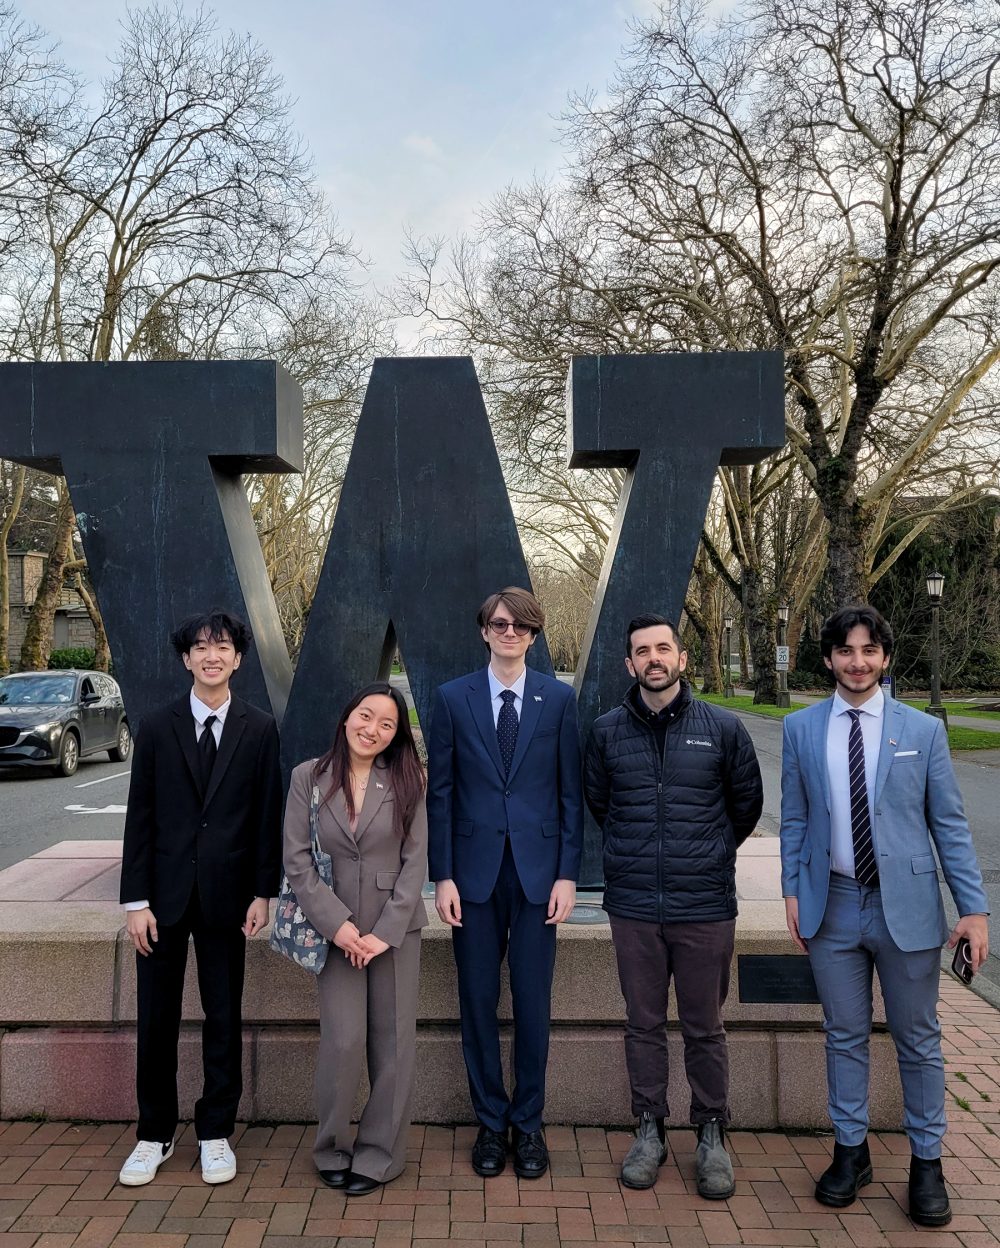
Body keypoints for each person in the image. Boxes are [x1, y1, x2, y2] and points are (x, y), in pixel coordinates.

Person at [780, 604, 990, 1227]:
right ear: (828, 658)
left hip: (909, 911)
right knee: (843, 1035)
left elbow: (949, 825)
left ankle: (927, 1161)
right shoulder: (800, 729)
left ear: (886, 658)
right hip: (833, 907)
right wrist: (793, 889)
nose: (858, 662)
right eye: (846, 651)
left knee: (918, 1040)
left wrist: (973, 909)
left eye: (869, 650)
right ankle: (852, 1151)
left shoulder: (921, 731)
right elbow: (794, 818)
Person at [584, 613, 762, 1196]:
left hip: (704, 904)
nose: (653, 659)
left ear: (682, 659)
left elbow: (745, 807)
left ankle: (711, 1132)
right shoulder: (608, 731)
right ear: (629, 664)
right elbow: (600, 804)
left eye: (664, 648)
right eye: (642, 651)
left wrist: (705, 854)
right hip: (634, 905)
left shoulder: (724, 729)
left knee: (705, 1026)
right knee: (643, 1023)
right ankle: (650, 1128)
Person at [118, 610, 282, 1187]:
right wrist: (134, 901)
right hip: (161, 900)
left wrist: (265, 890)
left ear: (239, 657)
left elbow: (267, 816)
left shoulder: (259, 728)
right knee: (155, 1019)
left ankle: (215, 1131)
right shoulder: (157, 726)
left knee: (223, 1015)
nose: (212, 656)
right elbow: (140, 820)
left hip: (228, 898)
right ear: (186, 658)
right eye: (200, 647)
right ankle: (153, 1134)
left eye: (223, 647)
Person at [428, 586, 583, 1179]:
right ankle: (490, 1126)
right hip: (471, 878)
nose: (509, 633)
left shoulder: (558, 701)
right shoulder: (452, 698)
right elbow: (439, 793)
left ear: (533, 635)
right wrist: (441, 875)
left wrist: (568, 874)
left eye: (520, 626)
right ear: (484, 632)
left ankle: (529, 1125)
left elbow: (571, 795)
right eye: (499, 624)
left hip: (540, 877)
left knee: (533, 1005)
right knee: (476, 1004)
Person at [282, 681, 428, 1196]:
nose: (373, 729)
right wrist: (339, 927)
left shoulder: (409, 779)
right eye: (366, 717)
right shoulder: (309, 777)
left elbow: (416, 863)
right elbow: (297, 860)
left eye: (386, 724)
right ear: (347, 718)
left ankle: (380, 1154)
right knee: (343, 1042)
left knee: (393, 1044)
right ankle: (331, 1147)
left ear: (395, 736)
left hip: (394, 932)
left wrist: (383, 933)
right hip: (335, 930)